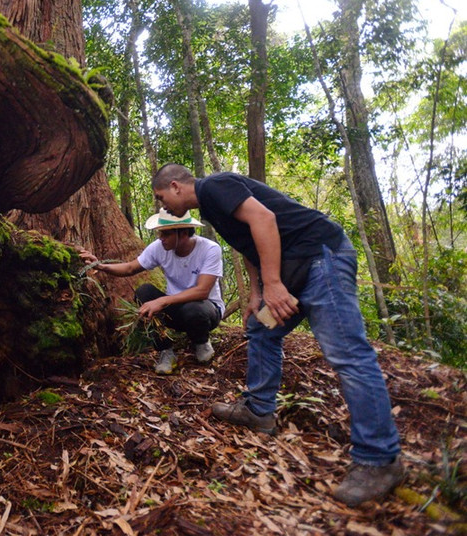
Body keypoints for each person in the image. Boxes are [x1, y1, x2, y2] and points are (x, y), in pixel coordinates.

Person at [151, 163, 403, 507]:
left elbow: (264, 220)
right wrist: (257, 291)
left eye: (161, 196)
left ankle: (380, 459)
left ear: (176, 186)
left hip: (320, 260)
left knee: (347, 353)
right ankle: (258, 409)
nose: (162, 205)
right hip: (293, 270)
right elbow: (250, 243)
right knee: (261, 328)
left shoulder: (213, 186)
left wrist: (272, 284)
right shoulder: (210, 206)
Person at [79, 209, 224, 375]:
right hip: (175, 311)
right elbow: (129, 268)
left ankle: (201, 342)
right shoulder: (159, 248)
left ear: (183, 233)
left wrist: (162, 301)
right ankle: (166, 351)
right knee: (144, 292)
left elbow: (202, 291)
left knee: (194, 309)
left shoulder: (209, 249)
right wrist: (100, 266)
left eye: (165, 234)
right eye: (160, 233)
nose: (160, 238)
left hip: (206, 311)